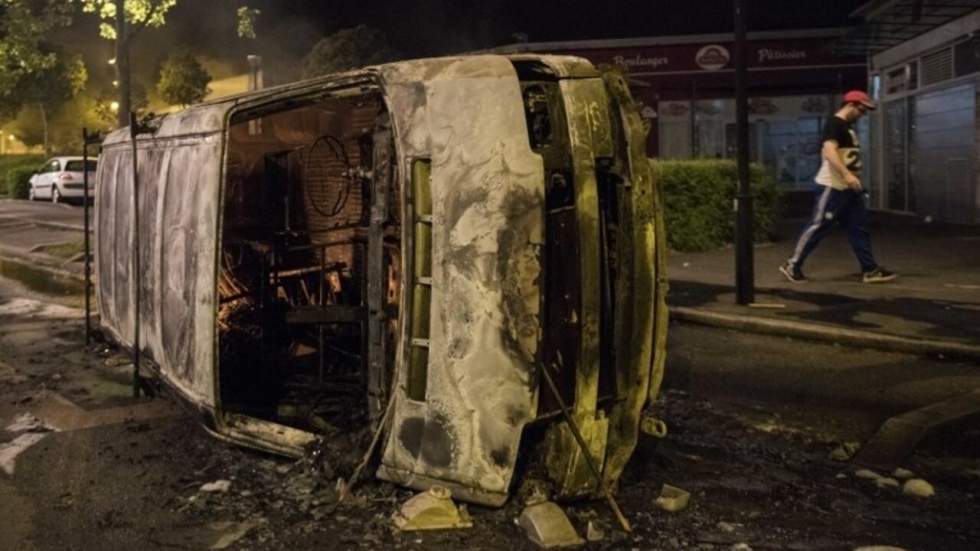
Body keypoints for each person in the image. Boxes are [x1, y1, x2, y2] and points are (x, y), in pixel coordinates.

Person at [779, 90, 897, 284]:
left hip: (847, 188)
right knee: (818, 226)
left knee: (858, 228)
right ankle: (792, 265)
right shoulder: (835, 124)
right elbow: (829, 149)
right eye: (862, 109)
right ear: (851, 105)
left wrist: (850, 178)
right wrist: (846, 174)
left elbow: (830, 153)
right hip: (833, 186)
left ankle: (870, 269)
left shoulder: (846, 126)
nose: (863, 114)